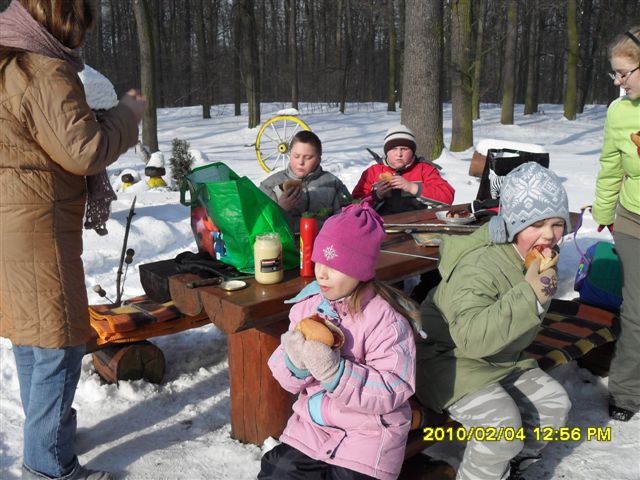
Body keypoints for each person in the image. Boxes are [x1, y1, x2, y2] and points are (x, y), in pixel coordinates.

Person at [0, 1, 145, 479]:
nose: (80, 36)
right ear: (62, 18)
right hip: (36, 224)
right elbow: (84, 150)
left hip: (11, 222)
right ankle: (48, 466)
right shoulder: (42, 69)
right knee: (58, 344)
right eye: (80, 25)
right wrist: (127, 114)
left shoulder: (7, 58)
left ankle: (51, 438)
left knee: (33, 337)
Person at [414, 162, 572, 480]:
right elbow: (473, 340)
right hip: (447, 359)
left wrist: (534, 290)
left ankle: (513, 464)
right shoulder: (480, 267)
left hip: (501, 357)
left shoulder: (535, 259)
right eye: (536, 224)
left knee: (554, 405)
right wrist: (530, 295)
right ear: (513, 226)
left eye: (557, 224)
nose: (549, 234)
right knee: (501, 428)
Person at [258, 203, 417, 480]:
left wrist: (337, 373)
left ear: (360, 270)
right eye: (319, 261)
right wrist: (294, 364)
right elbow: (284, 378)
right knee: (277, 471)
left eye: (334, 265)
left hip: (370, 436)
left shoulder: (386, 322)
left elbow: (394, 387)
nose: (321, 273)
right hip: (313, 428)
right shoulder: (307, 308)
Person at [592, 26, 640, 423]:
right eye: (615, 73)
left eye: (624, 73)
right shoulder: (619, 112)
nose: (618, 82)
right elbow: (611, 166)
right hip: (632, 220)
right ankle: (626, 392)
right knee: (637, 311)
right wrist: (604, 213)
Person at [259, 130, 352, 232]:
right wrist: (281, 209)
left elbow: (347, 219)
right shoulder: (269, 186)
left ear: (319, 159)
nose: (301, 162)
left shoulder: (333, 184)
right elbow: (259, 226)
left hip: (323, 240)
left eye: (308, 157)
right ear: (289, 154)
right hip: (285, 241)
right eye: (296, 156)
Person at [351, 125, 455, 216]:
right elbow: (355, 204)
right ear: (386, 151)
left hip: (417, 223)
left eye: (404, 149)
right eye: (393, 149)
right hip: (380, 225)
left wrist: (412, 187)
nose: (399, 154)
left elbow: (447, 197)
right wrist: (376, 195)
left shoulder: (424, 169)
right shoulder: (373, 172)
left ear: (412, 151)